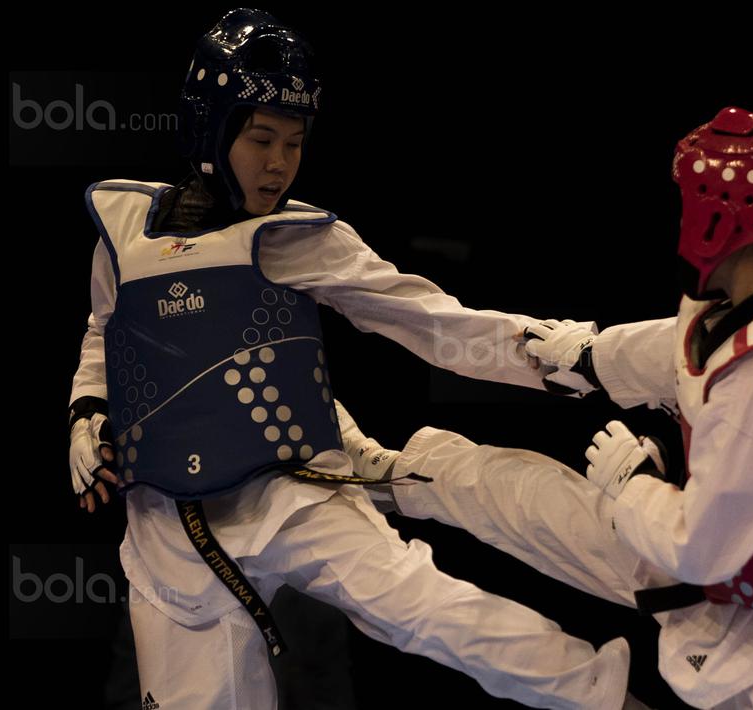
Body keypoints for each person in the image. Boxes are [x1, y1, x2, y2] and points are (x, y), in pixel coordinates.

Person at [66, 9, 631, 709]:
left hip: (291, 492)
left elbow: (432, 324)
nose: (278, 162)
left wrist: (575, 357)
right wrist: (85, 415)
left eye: (295, 143)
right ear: (208, 127)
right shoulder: (123, 232)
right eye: (261, 138)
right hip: (168, 530)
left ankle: (603, 695)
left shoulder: (299, 237)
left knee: (427, 610)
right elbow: (105, 335)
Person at [340, 106, 753, 708]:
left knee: (569, 635)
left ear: (719, 216)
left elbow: (698, 548)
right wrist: (587, 356)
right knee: (524, 496)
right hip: (746, 560)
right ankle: (393, 474)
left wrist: (633, 484)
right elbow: (691, 346)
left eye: (689, 198)